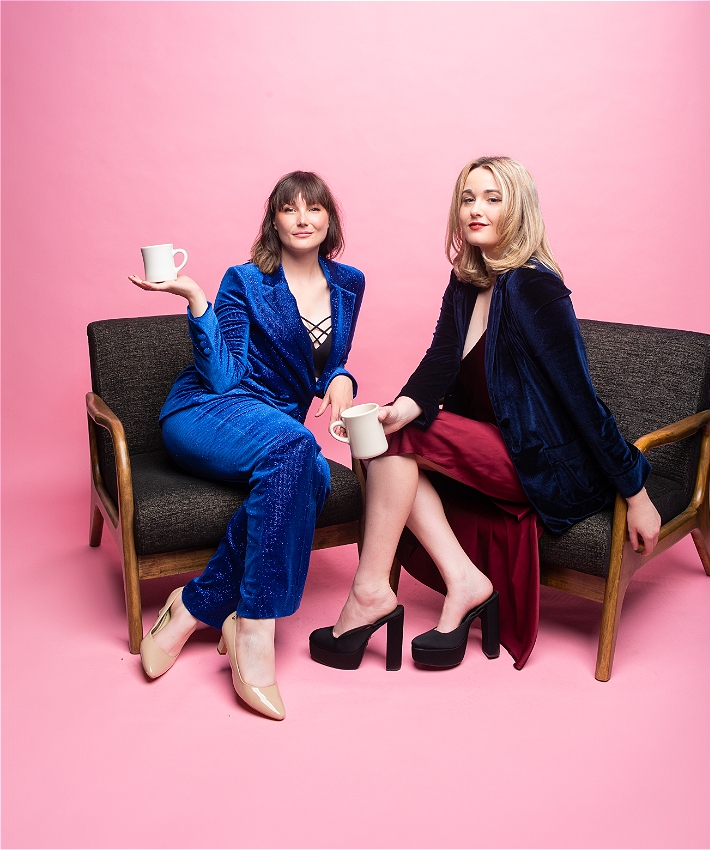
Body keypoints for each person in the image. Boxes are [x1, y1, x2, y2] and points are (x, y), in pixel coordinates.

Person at [309, 156, 660, 671]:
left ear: (518, 210)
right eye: (469, 198)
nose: (476, 209)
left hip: (545, 462)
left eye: (493, 199)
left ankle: (369, 594)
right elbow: (440, 361)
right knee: (386, 442)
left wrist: (637, 492)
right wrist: (398, 408)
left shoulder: (534, 289)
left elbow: (581, 399)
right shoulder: (466, 281)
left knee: (395, 441)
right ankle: (464, 580)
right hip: (491, 447)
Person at [128, 171, 364, 719]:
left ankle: (191, 606)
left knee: (303, 461)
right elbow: (221, 375)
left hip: (279, 431)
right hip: (208, 411)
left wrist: (342, 379)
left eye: (314, 208)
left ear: (330, 219)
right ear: (274, 220)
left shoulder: (349, 283)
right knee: (299, 453)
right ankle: (255, 630)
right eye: (290, 209)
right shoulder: (246, 279)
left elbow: (333, 361)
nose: (302, 219)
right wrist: (195, 300)